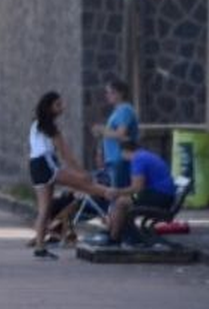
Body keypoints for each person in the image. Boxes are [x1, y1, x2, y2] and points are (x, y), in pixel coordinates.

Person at [29, 91, 110, 259]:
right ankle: (116, 199)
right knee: (87, 185)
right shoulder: (51, 128)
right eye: (58, 104)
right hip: (46, 163)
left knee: (44, 209)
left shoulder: (36, 125)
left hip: (35, 165)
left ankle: (40, 247)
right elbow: (65, 154)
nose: (62, 107)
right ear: (49, 107)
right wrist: (82, 173)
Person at [103, 141, 175, 245]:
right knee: (123, 200)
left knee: (120, 203)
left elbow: (137, 187)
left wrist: (116, 192)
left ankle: (113, 238)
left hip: (159, 196)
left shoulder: (138, 160)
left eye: (120, 153)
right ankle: (117, 233)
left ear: (125, 151)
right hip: (164, 195)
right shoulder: (145, 155)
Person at [91, 78, 139, 188]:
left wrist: (101, 130)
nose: (107, 95)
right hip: (112, 159)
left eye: (111, 92)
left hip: (120, 159)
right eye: (107, 92)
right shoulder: (117, 112)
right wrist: (100, 152)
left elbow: (120, 134)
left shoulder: (125, 110)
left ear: (121, 93)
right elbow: (110, 134)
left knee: (117, 193)